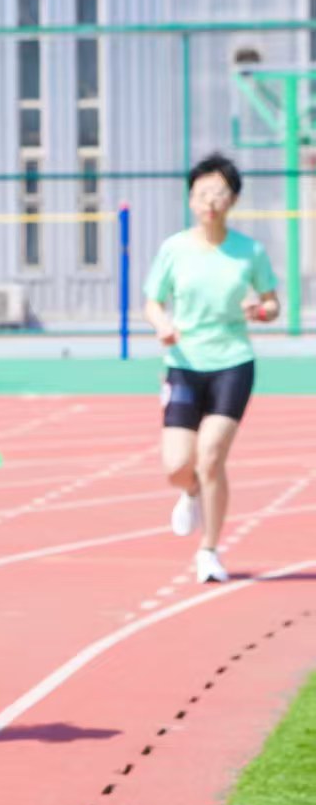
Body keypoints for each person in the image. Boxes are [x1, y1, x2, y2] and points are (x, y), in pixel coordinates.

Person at [145, 153, 279, 584]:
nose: (210, 202)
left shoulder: (249, 252)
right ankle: (190, 491)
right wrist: (163, 325)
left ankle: (209, 550)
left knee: (212, 455)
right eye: (202, 193)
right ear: (190, 199)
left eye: (219, 193)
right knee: (177, 465)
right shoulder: (175, 248)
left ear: (233, 199)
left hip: (232, 363)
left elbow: (272, 303)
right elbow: (153, 301)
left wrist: (262, 310)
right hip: (183, 364)